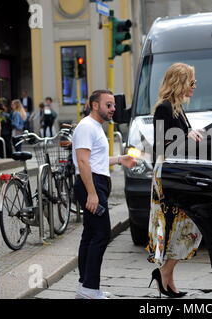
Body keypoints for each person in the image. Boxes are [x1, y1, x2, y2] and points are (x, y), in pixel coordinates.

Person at [147, 63, 205, 298]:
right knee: (180, 226)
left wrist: (193, 135)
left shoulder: (178, 108)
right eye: (192, 82)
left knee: (184, 226)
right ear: (180, 82)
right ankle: (165, 274)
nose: (194, 86)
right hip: (167, 176)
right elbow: (161, 144)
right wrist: (185, 135)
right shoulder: (164, 108)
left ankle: (167, 276)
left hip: (178, 172)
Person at [73, 89, 137, 299]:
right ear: (94, 105)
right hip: (91, 185)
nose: (113, 109)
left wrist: (119, 159)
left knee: (90, 235)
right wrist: (92, 193)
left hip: (96, 183)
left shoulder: (95, 127)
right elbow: (83, 162)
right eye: (108, 105)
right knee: (101, 235)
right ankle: (90, 288)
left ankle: (86, 287)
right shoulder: (86, 127)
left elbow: (95, 160)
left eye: (113, 105)